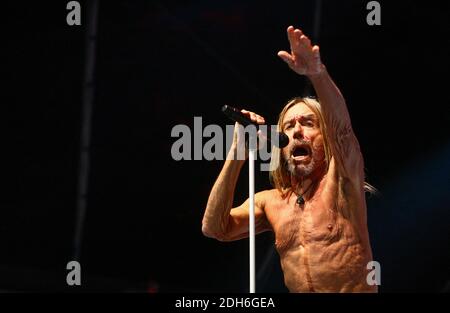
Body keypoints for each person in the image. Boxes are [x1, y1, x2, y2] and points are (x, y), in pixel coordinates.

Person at [201, 25, 377, 293]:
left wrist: (317, 75)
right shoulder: (270, 202)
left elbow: (341, 131)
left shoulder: (342, 182)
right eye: (289, 126)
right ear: (280, 145)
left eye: (308, 123)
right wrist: (237, 151)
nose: (296, 131)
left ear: (324, 137)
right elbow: (214, 227)